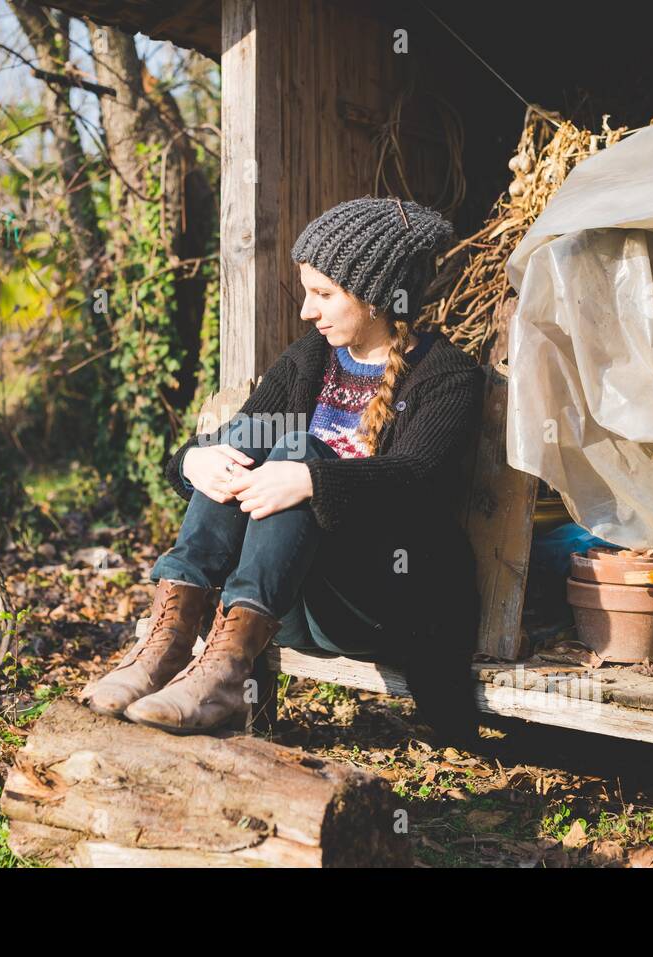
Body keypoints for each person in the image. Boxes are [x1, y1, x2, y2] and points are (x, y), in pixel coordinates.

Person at [79, 195, 484, 740]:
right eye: (306, 292)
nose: (306, 311)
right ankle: (170, 640)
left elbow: (417, 478)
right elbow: (229, 447)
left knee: (297, 449)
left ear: (377, 296)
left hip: (377, 603)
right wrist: (194, 461)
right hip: (282, 604)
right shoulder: (306, 360)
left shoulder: (445, 374)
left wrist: (314, 478)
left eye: (324, 294)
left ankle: (220, 670)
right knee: (245, 439)